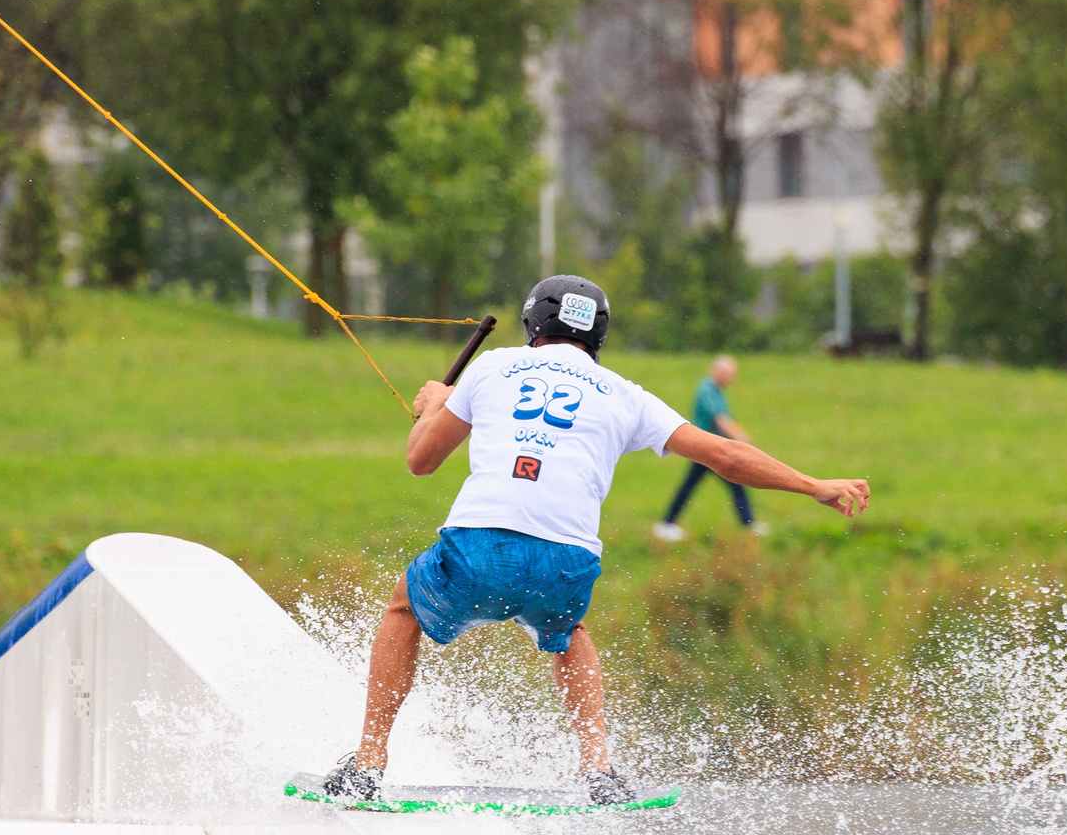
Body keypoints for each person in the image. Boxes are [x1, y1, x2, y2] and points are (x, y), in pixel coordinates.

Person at [328, 275, 870, 806]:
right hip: (565, 563)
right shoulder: (627, 396)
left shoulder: (490, 366)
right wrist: (812, 485)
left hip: (479, 547)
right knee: (568, 630)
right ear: (598, 337)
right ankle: (600, 769)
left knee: (403, 608)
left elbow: (420, 461)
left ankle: (368, 763)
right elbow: (725, 456)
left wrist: (434, 407)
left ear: (532, 323)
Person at [653, 354, 763, 541]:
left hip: (713, 447)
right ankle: (667, 524)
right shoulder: (707, 390)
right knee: (693, 486)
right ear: (718, 371)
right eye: (729, 374)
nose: (731, 379)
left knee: (733, 483)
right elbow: (720, 420)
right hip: (706, 449)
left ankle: (749, 523)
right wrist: (741, 438)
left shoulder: (716, 390)